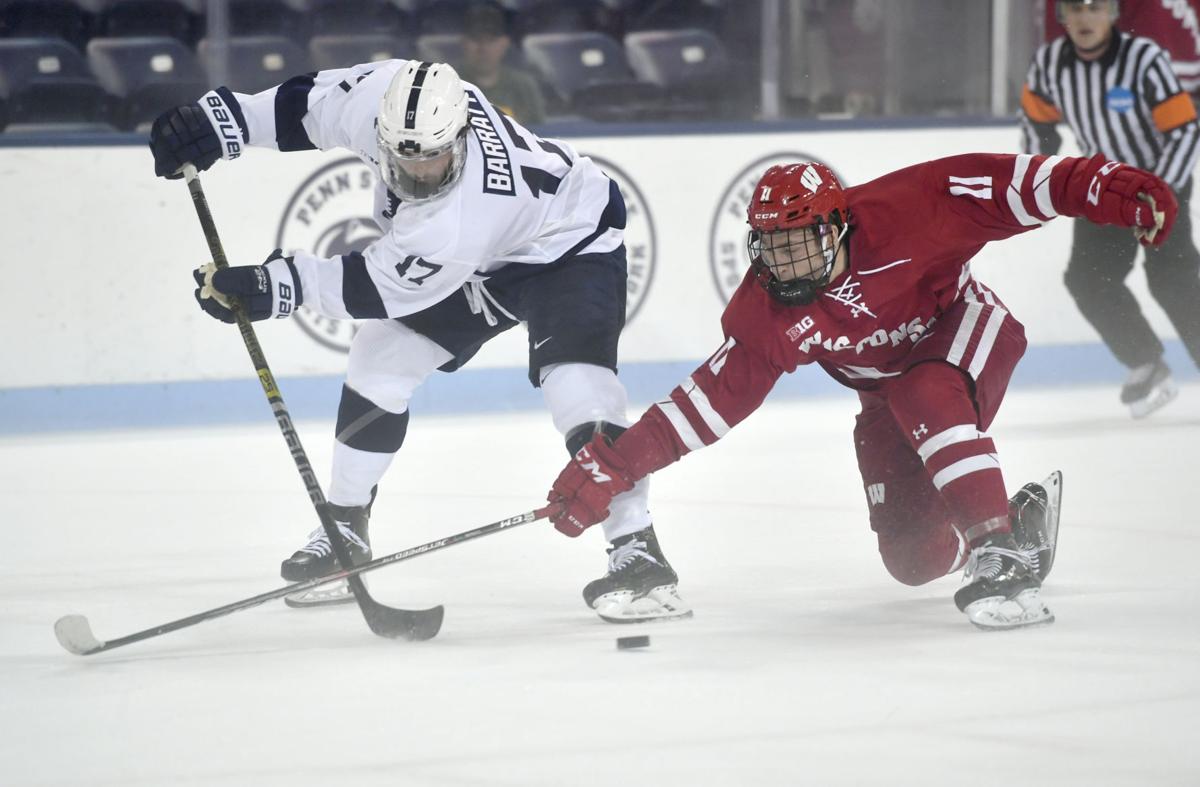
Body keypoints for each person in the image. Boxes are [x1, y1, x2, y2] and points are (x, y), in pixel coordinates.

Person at [147, 59, 689, 622]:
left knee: (578, 387)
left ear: (462, 136)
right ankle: (345, 530)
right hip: (494, 249)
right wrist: (221, 122)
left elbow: (378, 286)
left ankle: (638, 551)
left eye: (434, 156)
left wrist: (272, 286)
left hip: (570, 243)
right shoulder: (378, 99)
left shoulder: (456, 218)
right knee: (380, 357)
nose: (418, 171)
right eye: (404, 156)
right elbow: (303, 106)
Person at [545, 151, 1177, 630]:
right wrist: (615, 465)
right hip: (883, 394)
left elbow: (1030, 183)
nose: (784, 265)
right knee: (914, 558)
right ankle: (1021, 523)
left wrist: (1115, 191)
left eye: (799, 245)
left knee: (925, 394)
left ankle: (999, 551)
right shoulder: (764, 311)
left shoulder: (918, 206)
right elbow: (704, 405)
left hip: (964, 331)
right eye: (771, 248)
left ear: (839, 230)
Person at [1022, 0, 1200, 417]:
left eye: (1095, 8)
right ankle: (1145, 362)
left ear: (1113, 14)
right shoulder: (1049, 64)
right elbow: (1037, 126)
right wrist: (1033, 183)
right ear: (1062, 17)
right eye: (1075, 9)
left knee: (1172, 281)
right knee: (1087, 279)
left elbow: (1184, 130)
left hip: (1161, 187)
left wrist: (1160, 190)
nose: (1085, 18)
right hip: (1104, 189)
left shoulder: (1144, 59)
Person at [459, 2, 546, 125]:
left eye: (491, 41)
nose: (483, 48)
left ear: (504, 44)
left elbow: (540, 134)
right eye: (476, 39)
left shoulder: (524, 87)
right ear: (464, 43)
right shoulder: (449, 84)